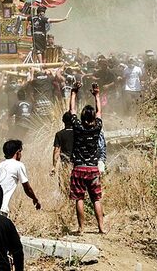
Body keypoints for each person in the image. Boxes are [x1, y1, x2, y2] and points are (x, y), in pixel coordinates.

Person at [68, 82, 106, 234]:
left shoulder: (77, 126)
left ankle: (81, 228)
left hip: (78, 168)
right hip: (93, 169)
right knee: (96, 198)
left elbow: (72, 110)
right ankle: (101, 227)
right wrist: (96, 95)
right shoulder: (97, 127)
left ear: (82, 116)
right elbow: (99, 112)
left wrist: (73, 93)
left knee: (80, 198)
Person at [0, 139, 40, 217]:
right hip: (1, 208)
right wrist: (35, 199)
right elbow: (27, 188)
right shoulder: (18, 165)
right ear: (17, 152)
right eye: (21, 151)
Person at [51, 111, 76, 190]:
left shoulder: (59, 134)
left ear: (63, 120)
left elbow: (56, 151)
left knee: (64, 187)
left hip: (65, 165)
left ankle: (66, 201)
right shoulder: (78, 133)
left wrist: (54, 166)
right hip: (77, 164)